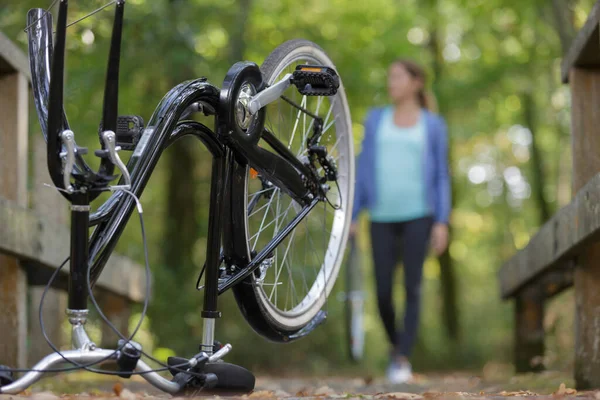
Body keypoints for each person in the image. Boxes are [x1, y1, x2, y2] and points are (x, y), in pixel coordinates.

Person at [350, 58, 451, 384]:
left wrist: (441, 221)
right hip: (380, 215)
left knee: (413, 287)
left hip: (419, 216)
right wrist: (353, 214)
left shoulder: (433, 124)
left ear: (416, 82)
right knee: (381, 291)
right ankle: (397, 346)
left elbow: (440, 175)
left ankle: (401, 357)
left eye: (397, 76)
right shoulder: (376, 118)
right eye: (389, 76)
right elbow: (362, 167)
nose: (391, 82)